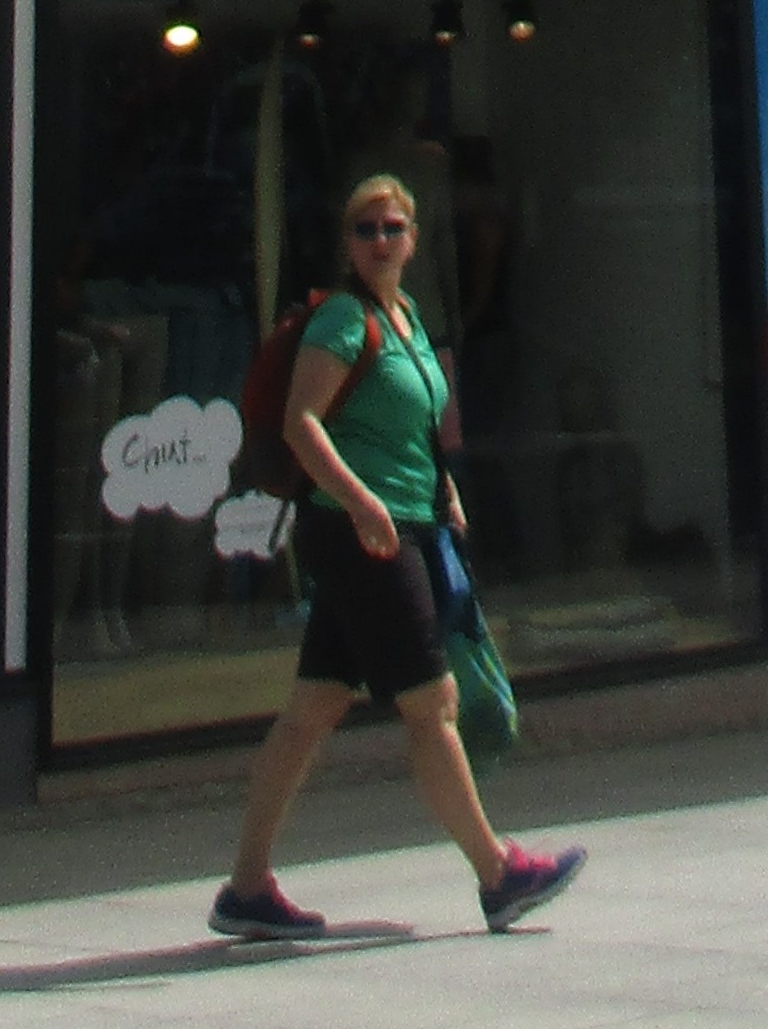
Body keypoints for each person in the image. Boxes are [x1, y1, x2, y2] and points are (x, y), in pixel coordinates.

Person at [209, 171, 582, 942]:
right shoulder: (343, 320)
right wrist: (360, 501)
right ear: (347, 244)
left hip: (406, 523)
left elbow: (415, 427)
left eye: (393, 228)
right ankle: (498, 873)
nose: (380, 241)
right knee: (431, 704)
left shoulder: (406, 316)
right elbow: (301, 424)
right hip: (360, 534)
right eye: (364, 229)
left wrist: (443, 493)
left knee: (311, 711)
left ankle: (246, 888)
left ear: (414, 239)